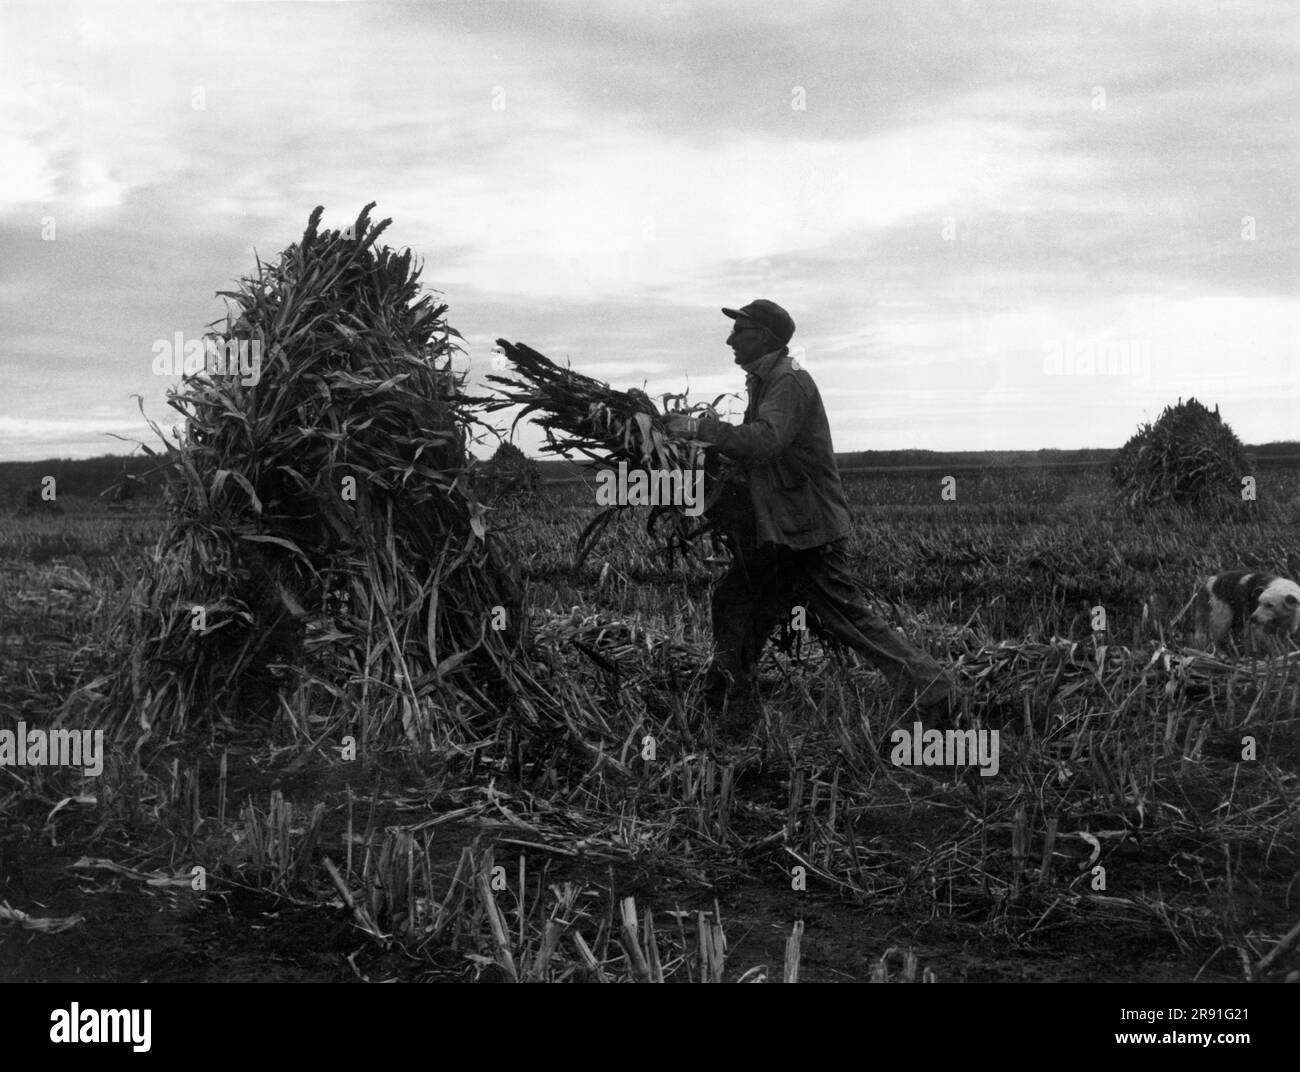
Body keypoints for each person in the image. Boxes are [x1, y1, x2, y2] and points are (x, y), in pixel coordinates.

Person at [663, 299, 959, 730]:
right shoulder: (765, 381)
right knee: (737, 601)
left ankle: (937, 693)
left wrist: (699, 430)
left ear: (763, 336)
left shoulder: (788, 382)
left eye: (739, 331)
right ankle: (727, 701)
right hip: (783, 531)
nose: (730, 339)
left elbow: (766, 441)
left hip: (807, 530)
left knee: (846, 618)